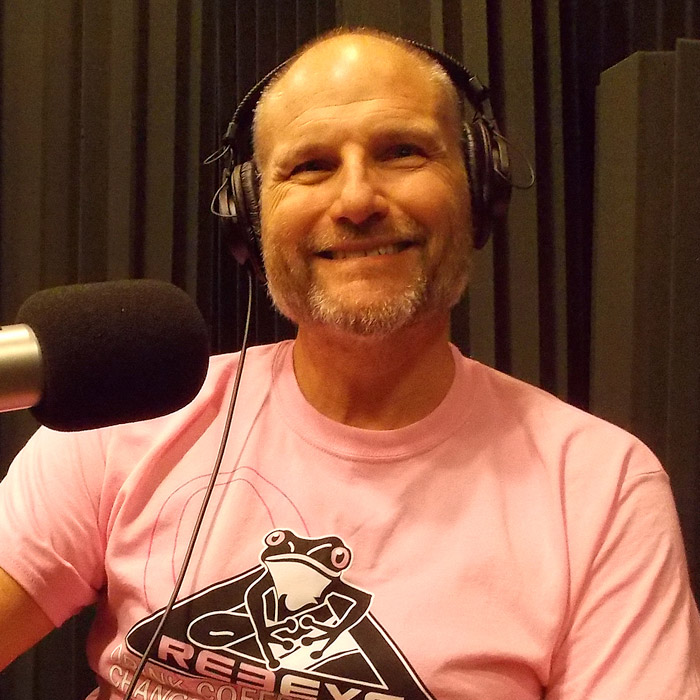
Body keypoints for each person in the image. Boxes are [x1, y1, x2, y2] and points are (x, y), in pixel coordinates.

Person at [0, 27, 699, 700]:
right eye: (310, 166)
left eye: (401, 152)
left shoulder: (601, 489)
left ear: (480, 186)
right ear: (249, 217)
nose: (358, 199)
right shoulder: (130, 420)